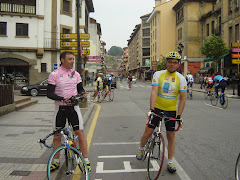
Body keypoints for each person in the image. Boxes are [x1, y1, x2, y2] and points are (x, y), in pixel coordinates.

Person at [136, 51, 187, 173]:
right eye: (170, 62)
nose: (172, 64)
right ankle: (141, 148)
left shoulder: (181, 79)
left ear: (178, 65)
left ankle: (170, 162)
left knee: (171, 136)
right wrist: (152, 109)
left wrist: (179, 115)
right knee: (148, 132)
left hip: (171, 111)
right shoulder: (158, 74)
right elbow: (154, 92)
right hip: (157, 108)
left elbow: (183, 98)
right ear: (166, 63)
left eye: (175, 62)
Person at [47, 51, 91, 172]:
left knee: (80, 133)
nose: (72, 61)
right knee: (57, 136)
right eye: (70, 59)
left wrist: (83, 94)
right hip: (60, 109)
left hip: (73, 108)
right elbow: (49, 93)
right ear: (62, 60)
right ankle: (56, 161)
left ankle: (86, 160)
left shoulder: (76, 74)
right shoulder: (54, 74)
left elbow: (80, 89)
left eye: (73, 59)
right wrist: (62, 99)